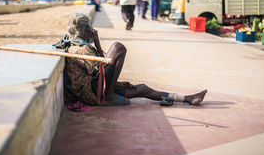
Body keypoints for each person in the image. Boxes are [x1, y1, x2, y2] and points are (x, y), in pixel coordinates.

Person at [58, 12, 208, 107]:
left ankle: (187, 98)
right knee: (118, 47)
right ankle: (109, 96)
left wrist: (118, 83)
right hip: (93, 93)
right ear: (86, 30)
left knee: (141, 89)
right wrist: (97, 41)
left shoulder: (79, 45)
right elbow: (103, 68)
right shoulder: (80, 49)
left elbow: (100, 73)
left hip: (96, 86)